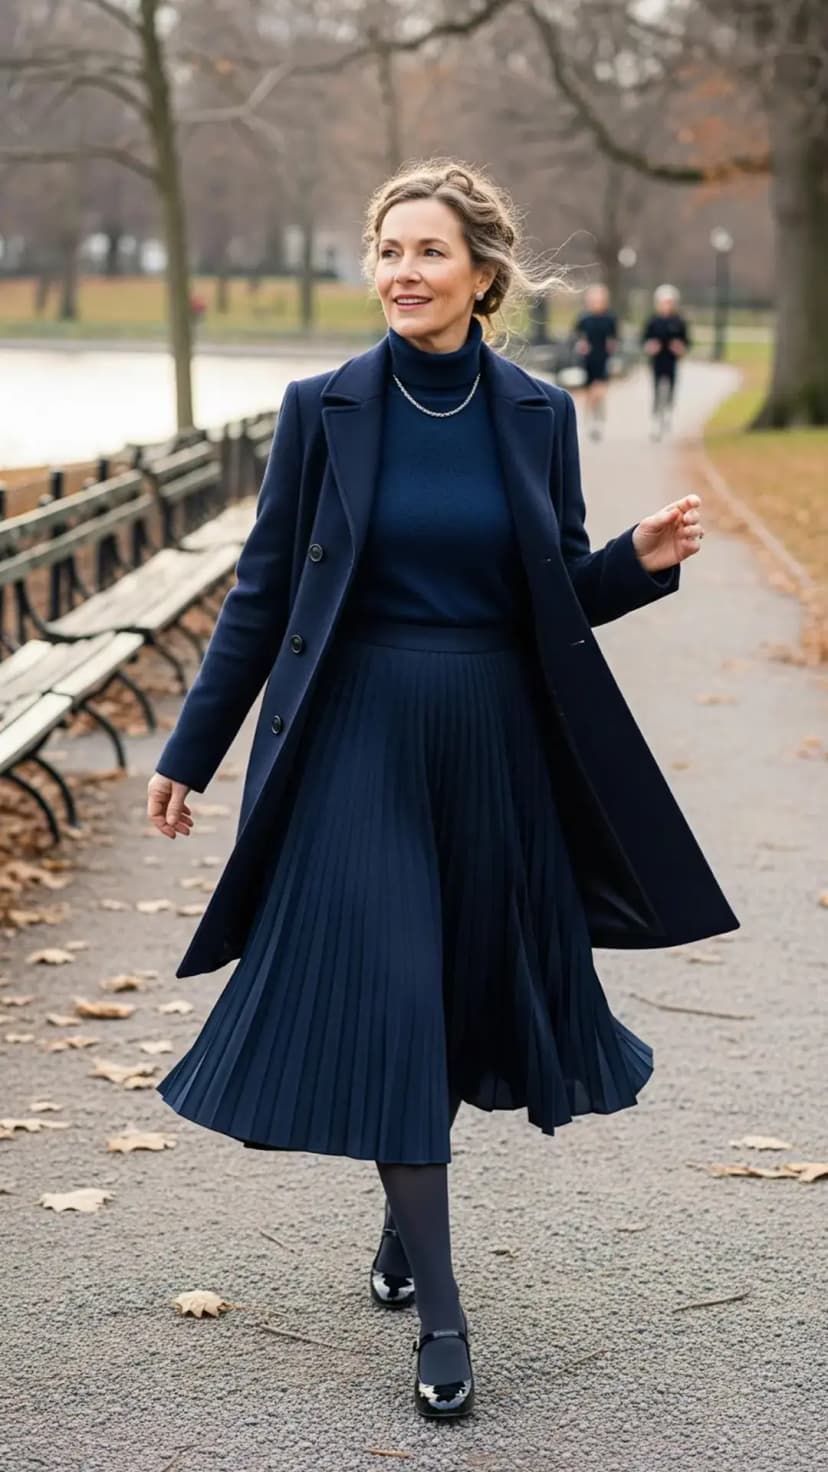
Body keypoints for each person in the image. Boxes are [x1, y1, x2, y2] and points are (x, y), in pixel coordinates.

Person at [146, 161, 738, 1423]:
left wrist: (632, 563)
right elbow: (262, 594)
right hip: (356, 738)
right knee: (397, 993)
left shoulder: (534, 411)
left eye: (428, 251)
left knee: (458, 992)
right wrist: (189, 752)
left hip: (492, 742)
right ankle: (450, 1315)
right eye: (386, 249)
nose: (402, 271)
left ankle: (403, 1225)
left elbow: (552, 601)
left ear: (483, 272)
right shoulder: (322, 409)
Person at [641, 284, 692, 440]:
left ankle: (668, 413)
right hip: (656, 361)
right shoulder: (653, 321)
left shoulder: (679, 321)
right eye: (664, 302)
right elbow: (644, 340)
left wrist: (680, 348)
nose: (667, 305)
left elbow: (687, 342)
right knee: (657, 389)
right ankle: (656, 420)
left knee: (671, 389)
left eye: (669, 302)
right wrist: (649, 347)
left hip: (672, 361)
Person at [573, 283, 618, 441]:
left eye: (599, 300)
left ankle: (596, 421)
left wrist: (612, 345)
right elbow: (576, 336)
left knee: (599, 391)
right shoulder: (584, 318)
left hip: (604, 359)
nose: (596, 303)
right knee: (590, 392)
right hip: (588, 360)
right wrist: (581, 344)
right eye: (594, 299)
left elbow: (615, 337)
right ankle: (593, 420)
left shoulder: (610, 318)